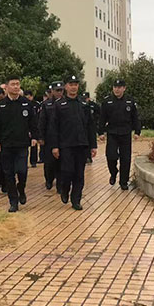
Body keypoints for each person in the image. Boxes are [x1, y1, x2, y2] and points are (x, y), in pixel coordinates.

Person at [47, 75, 97, 211]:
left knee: (79, 174)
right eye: (71, 84)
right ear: (66, 87)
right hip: (66, 145)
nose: (73, 87)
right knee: (67, 172)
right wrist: (54, 146)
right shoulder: (59, 105)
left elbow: (90, 126)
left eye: (76, 84)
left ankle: (76, 200)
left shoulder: (84, 104)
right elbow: (53, 127)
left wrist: (93, 145)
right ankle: (64, 189)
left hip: (81, 144)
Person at [0, 75, 38, 212]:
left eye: (18, 84)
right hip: (6, 145)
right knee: (9, 174)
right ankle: (13, 201)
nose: (16, 87)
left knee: (22, 171)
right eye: (13, 84)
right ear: (7, 87)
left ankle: (21, 188)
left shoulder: (26, 103)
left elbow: (33, 122)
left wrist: (34, 137)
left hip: (22, 144)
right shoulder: (1, 105)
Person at [99, 78, 141, 190]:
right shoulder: (107, 101)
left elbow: (135, 117)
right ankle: (113, 172)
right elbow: (102, 118)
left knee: (125, 158)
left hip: (125, 133)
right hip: (112, 133)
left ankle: (123, 181)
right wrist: (101, 132)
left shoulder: (130, 101)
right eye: (115, 87)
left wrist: (137, 131)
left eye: (119, 87)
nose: (117, 89)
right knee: (111, 156)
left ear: (124, 88)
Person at [38, 81, 64, 191]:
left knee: (61, 161)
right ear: (52, 91)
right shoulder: (46, 104)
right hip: (49, 138)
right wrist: (41, 137)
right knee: (49, 162)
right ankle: (49, 179)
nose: (59, 93)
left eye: (61, 90)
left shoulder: (65, 103)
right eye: (57, 90)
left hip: (62, 137)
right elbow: (42, 121)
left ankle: (60, 184)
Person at [25, 90, 41, 167]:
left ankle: (33, 161)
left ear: (32, 96)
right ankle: (24, 162)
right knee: (25, 147)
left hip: (35, 127)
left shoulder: (36, 104)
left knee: (34, 145)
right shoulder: (24, 104)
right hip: (26, 128)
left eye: (29, 97)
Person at [83, 92, 101, 164]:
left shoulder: (93, 105)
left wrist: (97, 120)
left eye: (86, 98)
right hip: (84, 127)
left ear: (88, 98)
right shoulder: (82, 105)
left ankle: (89, 157)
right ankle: (86, 157)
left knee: (90, 141)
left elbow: (99, 112)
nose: (85, 100)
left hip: (92, 124)